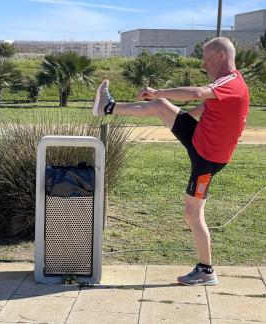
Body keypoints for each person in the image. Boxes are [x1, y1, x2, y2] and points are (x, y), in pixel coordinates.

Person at [92, 37, 249, 286]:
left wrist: (158, 92)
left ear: (221, 56)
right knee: (161, 106)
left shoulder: (230, 82)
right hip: (201, 143)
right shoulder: (226, 84)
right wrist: (174, 117)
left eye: (206, 59)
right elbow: (201, 109)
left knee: (193, 212)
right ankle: (107, 107)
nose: (203, 64)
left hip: (206, 158)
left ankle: (206, 270)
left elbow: (197, 93)